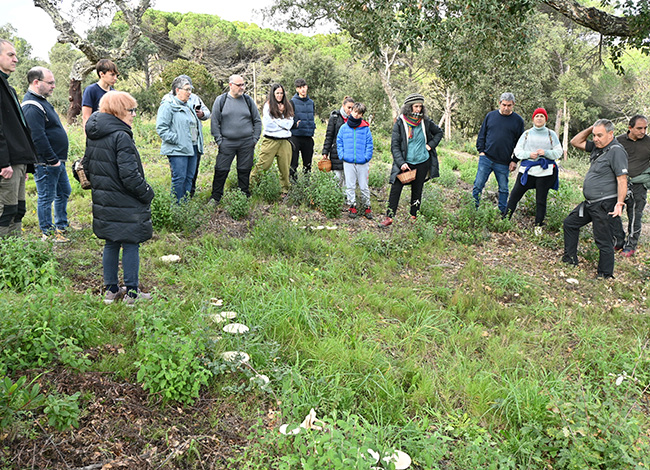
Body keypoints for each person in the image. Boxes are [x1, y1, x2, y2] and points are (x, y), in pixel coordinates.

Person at [83, 91, 154, 304]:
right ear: (118, 111)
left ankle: (111, 291)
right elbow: (130, 176)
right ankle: (132, 293)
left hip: (104, 201)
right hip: (126, 201)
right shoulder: (121, 136)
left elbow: (87, 166)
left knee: (111, 243)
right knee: (131, 243)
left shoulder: (94, 134)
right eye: (130, 110)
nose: (134, 114)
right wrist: (147, 193)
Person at [562, 119, 628, 279]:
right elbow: (575, 141)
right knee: (570, 223)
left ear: (611, 134)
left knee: (603, 239)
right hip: (590, 203)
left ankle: (605, 274)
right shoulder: (598, 148)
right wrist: (593, 128)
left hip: (605, 203)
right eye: (594, 135)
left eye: (600, 135)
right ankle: (570, 259)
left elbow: (622, 179)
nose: (596, 138)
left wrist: (619, 203)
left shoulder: (616, 151)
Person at [22, 66, 71, 243]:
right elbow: (37, 137)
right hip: (46, 162)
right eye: (50, 83)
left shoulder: (41, 101)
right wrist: (52, 160)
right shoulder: (31, 106)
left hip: (56, 161)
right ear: (36, 82)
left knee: (64, 191)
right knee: (46, 197)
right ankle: (48, 234)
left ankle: (61, 226)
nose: (53, 86)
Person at [380, 93, 443, 227]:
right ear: (409, 107)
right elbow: (395, 145)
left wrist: (430, 145)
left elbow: (439, 132)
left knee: (417, 190)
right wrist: (401, 163)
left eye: (420, 106)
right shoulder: (400, 122)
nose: (418, 109)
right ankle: (389, 217)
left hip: (422, 161)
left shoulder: (425, 121)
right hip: (405, 162)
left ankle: (414, 216)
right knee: (395, 189)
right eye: (415, 106)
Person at [0, 39, 37, 239]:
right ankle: (5, 261)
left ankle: (16, 256)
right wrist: (3, 161)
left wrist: (27, 165)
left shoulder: (8, 87)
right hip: (7, 164)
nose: (16, 59)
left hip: (18, 162)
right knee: (5, 212)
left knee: (18, 210)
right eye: (10, 55)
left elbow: (19, 128)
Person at [505, 107, 562, 233]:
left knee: (541, 200)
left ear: (546, 119)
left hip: (545, 172)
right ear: (533, 119)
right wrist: (528, 155)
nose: (539, 118)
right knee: (514, 196)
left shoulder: (551, 134)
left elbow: (559, 151)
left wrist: (546, 152)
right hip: (527, 171)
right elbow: (518, 151)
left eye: (542, 116)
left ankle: (538, 227)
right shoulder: (526, 134)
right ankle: (505, 220)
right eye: (537, 116)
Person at [210, 74, 261, 204]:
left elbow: (257, 121)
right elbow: (214, 122)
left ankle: (244, 196)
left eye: (243, 84)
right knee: (221, 170)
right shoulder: (221, 100)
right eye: (239, 85)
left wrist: (254, 139)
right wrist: (219, 141)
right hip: (227, 143)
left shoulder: (248, 101)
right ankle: (215, 197)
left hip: (246, 143)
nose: (242, 87)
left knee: (244, 170)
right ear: (230, 85)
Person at [473, 92, 525, 214]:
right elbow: (482, 134)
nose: (506, 108)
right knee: (478, 185)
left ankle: (503, 214)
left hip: (504, 161)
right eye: (504, 105)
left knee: (503, 189)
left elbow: (520, 143)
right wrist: (481, 151)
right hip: (486, 158)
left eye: (509, 105)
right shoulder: (490, 116)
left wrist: (514, 160)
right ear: (499, 103)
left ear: (513, 105)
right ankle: (473, 209)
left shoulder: (518, 121)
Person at [156, 75, 204, 202]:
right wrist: (177, 139)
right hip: (177, 149)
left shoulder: (189, 105)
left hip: (192, 147)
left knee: (189, 178)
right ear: (177, 90)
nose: (190, 92)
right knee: (179, 178)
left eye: (190, 89)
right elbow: (161, 128)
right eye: (187, 89)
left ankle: (185, 206)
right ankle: (176, 208)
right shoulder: (168, 105)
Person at [615, 115, 650, 257]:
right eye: (639, 128)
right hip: (619, 184)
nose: (643, 131)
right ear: (630, 128)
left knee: (635, 215)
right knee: (614, 213)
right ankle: (618, 241)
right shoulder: (619, 141)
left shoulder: (649, 142)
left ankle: (631, 246)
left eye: (645, 128)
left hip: (638, 185)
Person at [250, 83, 294, 193]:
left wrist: (276, 121)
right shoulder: (268, 106)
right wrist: (282, 123)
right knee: (263, 165)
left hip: (285, 141)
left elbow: (290, 124)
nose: (279, 95)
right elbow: (268, 125)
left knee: (285, 168)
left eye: (281, 93)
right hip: (270, 140)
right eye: (277, 93)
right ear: (273, 94)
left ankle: (285, 190)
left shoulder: (287, 105)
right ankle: (250, 186)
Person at [337, 102, 374, 219]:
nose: (356, 115)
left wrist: (366, 157)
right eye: (355, 112)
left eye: (359, 113)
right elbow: (339, 142)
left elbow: (369, 144)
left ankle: (367, 207)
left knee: (364, 186)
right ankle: (352, 205)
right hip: (348, 161)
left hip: (362, 162)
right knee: (350, 185)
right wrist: (342, 155)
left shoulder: (365, 128)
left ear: (362, 115)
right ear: (351, 111)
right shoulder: (343, 128)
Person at [322, 96, 355, 183]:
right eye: (349, 107)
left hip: (350, 152)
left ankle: (345, 196)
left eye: (352, 108)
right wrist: (325, 151)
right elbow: (329, 135)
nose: (350, 110)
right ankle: (335, 195)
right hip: (336, 152)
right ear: (343, 106)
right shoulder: (335, 117)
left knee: (348, 180)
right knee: (337, 178)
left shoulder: (355, 119)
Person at [290, 78, 316, 179]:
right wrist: (295, 125)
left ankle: (306, 186)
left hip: (308, 136)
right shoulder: (292, 102)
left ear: (307, 87)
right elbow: (288, 120)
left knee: (308, 164)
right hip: (295, 137)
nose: (303, 90)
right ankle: (293, 185)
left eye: (304, 87)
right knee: (293, 164)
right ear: (297, 89)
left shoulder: (311, 102)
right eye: (300, 88)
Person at [81, 59, 119, 128]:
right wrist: (88, 136)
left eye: (116, 75)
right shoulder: (91, 90)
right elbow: (86, 116)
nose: (115, 78)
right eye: (112, 75)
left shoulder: (115, 93)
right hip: (96, 131)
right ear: (101, 74)